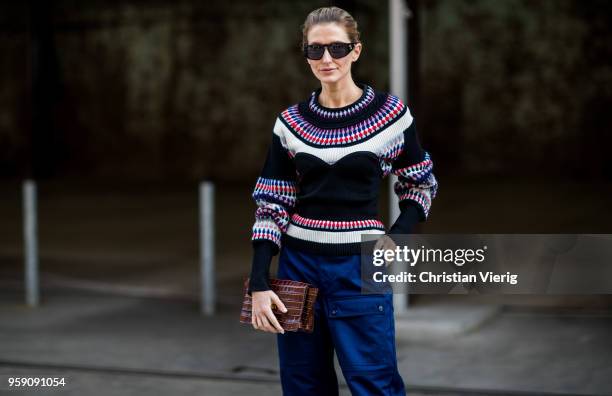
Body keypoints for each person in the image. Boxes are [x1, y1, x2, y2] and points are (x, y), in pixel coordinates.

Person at [247, 6, 438, 395]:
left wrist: (399, 235)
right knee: (303, 385)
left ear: (356, 51)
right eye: (315, 51)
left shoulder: (391, 115)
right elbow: (272, 202)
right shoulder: (290, 123)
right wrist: (259, 279)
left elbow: (421, 182)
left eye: (337, 48)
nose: (326, 59)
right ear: (305, 55)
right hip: (297, 268)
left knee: (375, 384)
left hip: (360, 268)